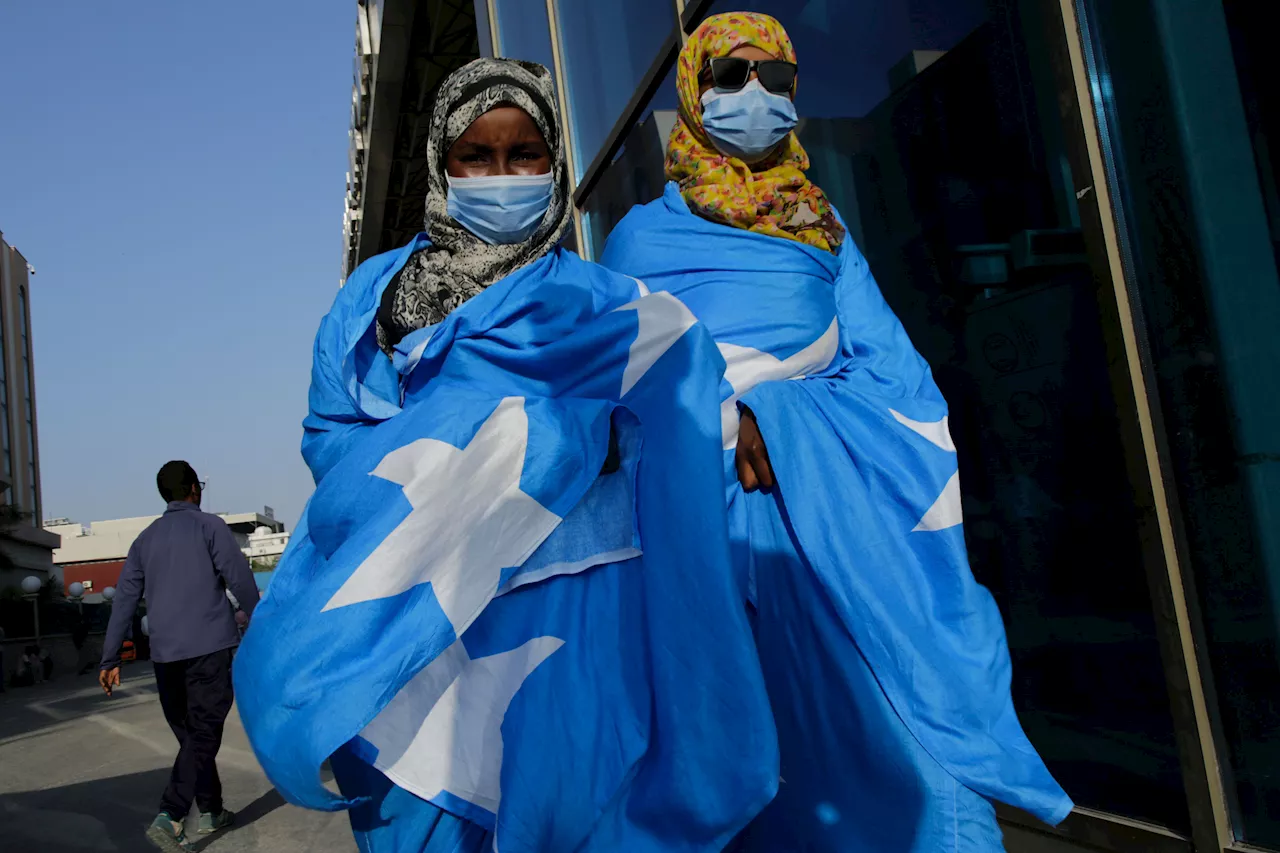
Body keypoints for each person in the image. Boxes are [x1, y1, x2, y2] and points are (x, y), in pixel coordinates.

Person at [236, 58, 775, 853]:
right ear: (441, 165)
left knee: (572, 802)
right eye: (476, 157)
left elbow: (680, 393)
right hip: (425, 617)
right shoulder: (373, 301)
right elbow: (333, 435)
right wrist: (502, 448)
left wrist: (722, 417)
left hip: (576, 607)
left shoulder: (604, 300)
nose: (502, 174)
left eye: (524, 154)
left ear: (554, 163)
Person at [600, 12, 1072, 851]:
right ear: (692, 92)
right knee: (759, 766)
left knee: (912, 759)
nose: (755, 95)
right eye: (730, 77)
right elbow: (621, 397)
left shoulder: (821, 226)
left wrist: (781, 419)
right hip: (714, 544)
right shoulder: (639, 241)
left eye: (774, 79)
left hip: (844, 525)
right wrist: (722, 423)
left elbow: (894, 372)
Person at [98, 461, 260, 852]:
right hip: (209, 649)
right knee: (203, 735)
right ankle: (171, 815)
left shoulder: (144, 540)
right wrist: (260, 622)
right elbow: (239, 578)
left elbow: (123, 601)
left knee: (193, 737)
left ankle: (211, 810)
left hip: (165, 657)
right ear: (193, 489)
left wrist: (109, 659)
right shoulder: (210, 527)